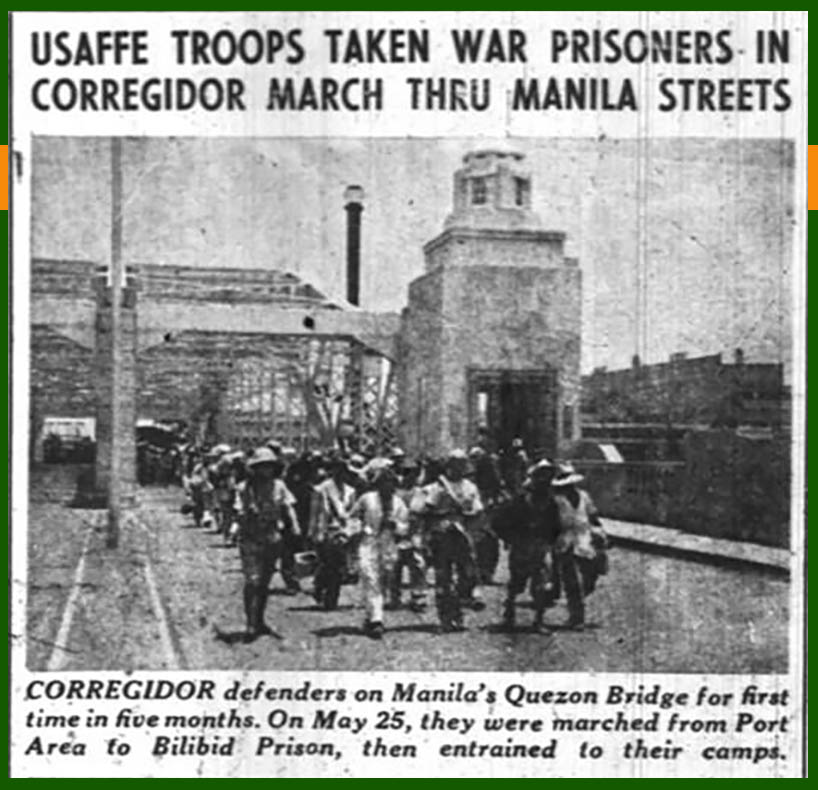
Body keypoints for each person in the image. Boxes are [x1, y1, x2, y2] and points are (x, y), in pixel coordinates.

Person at [412, 449, 484, 633]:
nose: (458, 468)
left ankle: (458, 614)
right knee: (443, 578)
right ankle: (445, 618)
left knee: (467, 576)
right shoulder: (435, 487)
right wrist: (433, 505)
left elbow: (478, 511)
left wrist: (471, 520)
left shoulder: (470, 487)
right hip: (440, 535)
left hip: (463, 535)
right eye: (454, 464)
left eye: (461, 464)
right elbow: (417, 510)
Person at [234, 447, 301, 640]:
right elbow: (238, 510)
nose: (266, 471)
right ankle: (250, 622)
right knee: (252, 580)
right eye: (262, 467)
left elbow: (288, 506)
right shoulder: (244, 488)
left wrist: (294, 525)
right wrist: (245, 514)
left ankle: (259, 620)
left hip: (272, 537)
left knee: (264, 582)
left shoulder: (279, 485)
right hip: (250, 537)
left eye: (269, 467)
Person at [348, 458, 410, 639]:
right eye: (384, 483)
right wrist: (357, 530)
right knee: (370, 577)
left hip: (388, 543)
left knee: (383, 580)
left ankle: (371, 615)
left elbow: (405, 526)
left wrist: (396, 526)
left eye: (391, 484)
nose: (388, 487)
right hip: (369, 542)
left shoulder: (398, 503)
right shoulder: (367, 499)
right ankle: (377, 620)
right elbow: (353, 517)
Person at [501, 459, 561, 633]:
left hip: (540, 547)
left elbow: (556, 525)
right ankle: (509, 613)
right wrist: (512, 538)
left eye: (547, 477)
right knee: (516, 584)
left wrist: (549, 542)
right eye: (540, 477)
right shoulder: (520, 501)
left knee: (541, 585)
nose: (544, 481)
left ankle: (539, 620)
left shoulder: (550, 502)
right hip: (522, 546)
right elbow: (502, 521)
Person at [551, 462, 608, 630]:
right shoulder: (556, 501)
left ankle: (577, 606)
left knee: (590, 578)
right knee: (573, 581)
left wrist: (601, 532)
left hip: (585, 540)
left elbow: (593, 515)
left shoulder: (584, 496)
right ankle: (577, 618)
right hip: (566, 542)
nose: (569, 486)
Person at [310, 453, 358, 610]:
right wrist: (313, 532)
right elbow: (315, 512)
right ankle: (322, 590)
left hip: (343, 532)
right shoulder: (322, 489)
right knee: (328, 564)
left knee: (338, 566)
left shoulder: (350, 491)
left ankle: (331, 597)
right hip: (326, 530)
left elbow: (352, 513)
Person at [389, 460, 427, 612]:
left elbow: (420, 513)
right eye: (405, 472)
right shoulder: (394, 492)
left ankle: (418, 597)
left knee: (417, 565)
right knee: (393, 567)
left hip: (414, 534)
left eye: (411, 472)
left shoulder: (420, 492)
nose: (407, 476)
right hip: (396, 533)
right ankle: (394, 597)